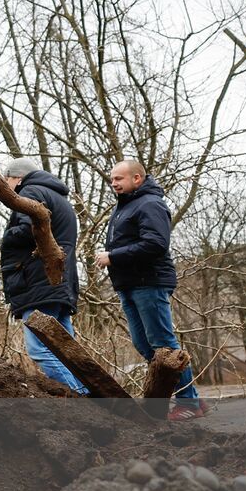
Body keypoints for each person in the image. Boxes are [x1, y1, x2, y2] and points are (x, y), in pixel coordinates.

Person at [95, 159, 203, 420]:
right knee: (145, 345)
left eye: (119, 179)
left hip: (150, 282)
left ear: (137, 179)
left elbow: (155, 243)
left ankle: (189, 403)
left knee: (164, 346)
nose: (114, 184)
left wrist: (113, 256)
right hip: (129, 285)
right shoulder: (125, 207)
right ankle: (188, 401)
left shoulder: (150, 204)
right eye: (112, 179)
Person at [0, 158, 87, 394]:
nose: (5, 186)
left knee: (39, 348)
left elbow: (30, 229)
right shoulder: (59, 197)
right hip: (60, 283)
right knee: (67, 350)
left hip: (40, 282)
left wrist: (6, 238)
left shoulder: (31, 190)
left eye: (6, 180)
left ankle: (78, 396)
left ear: (17, 178)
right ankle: (89, 392)